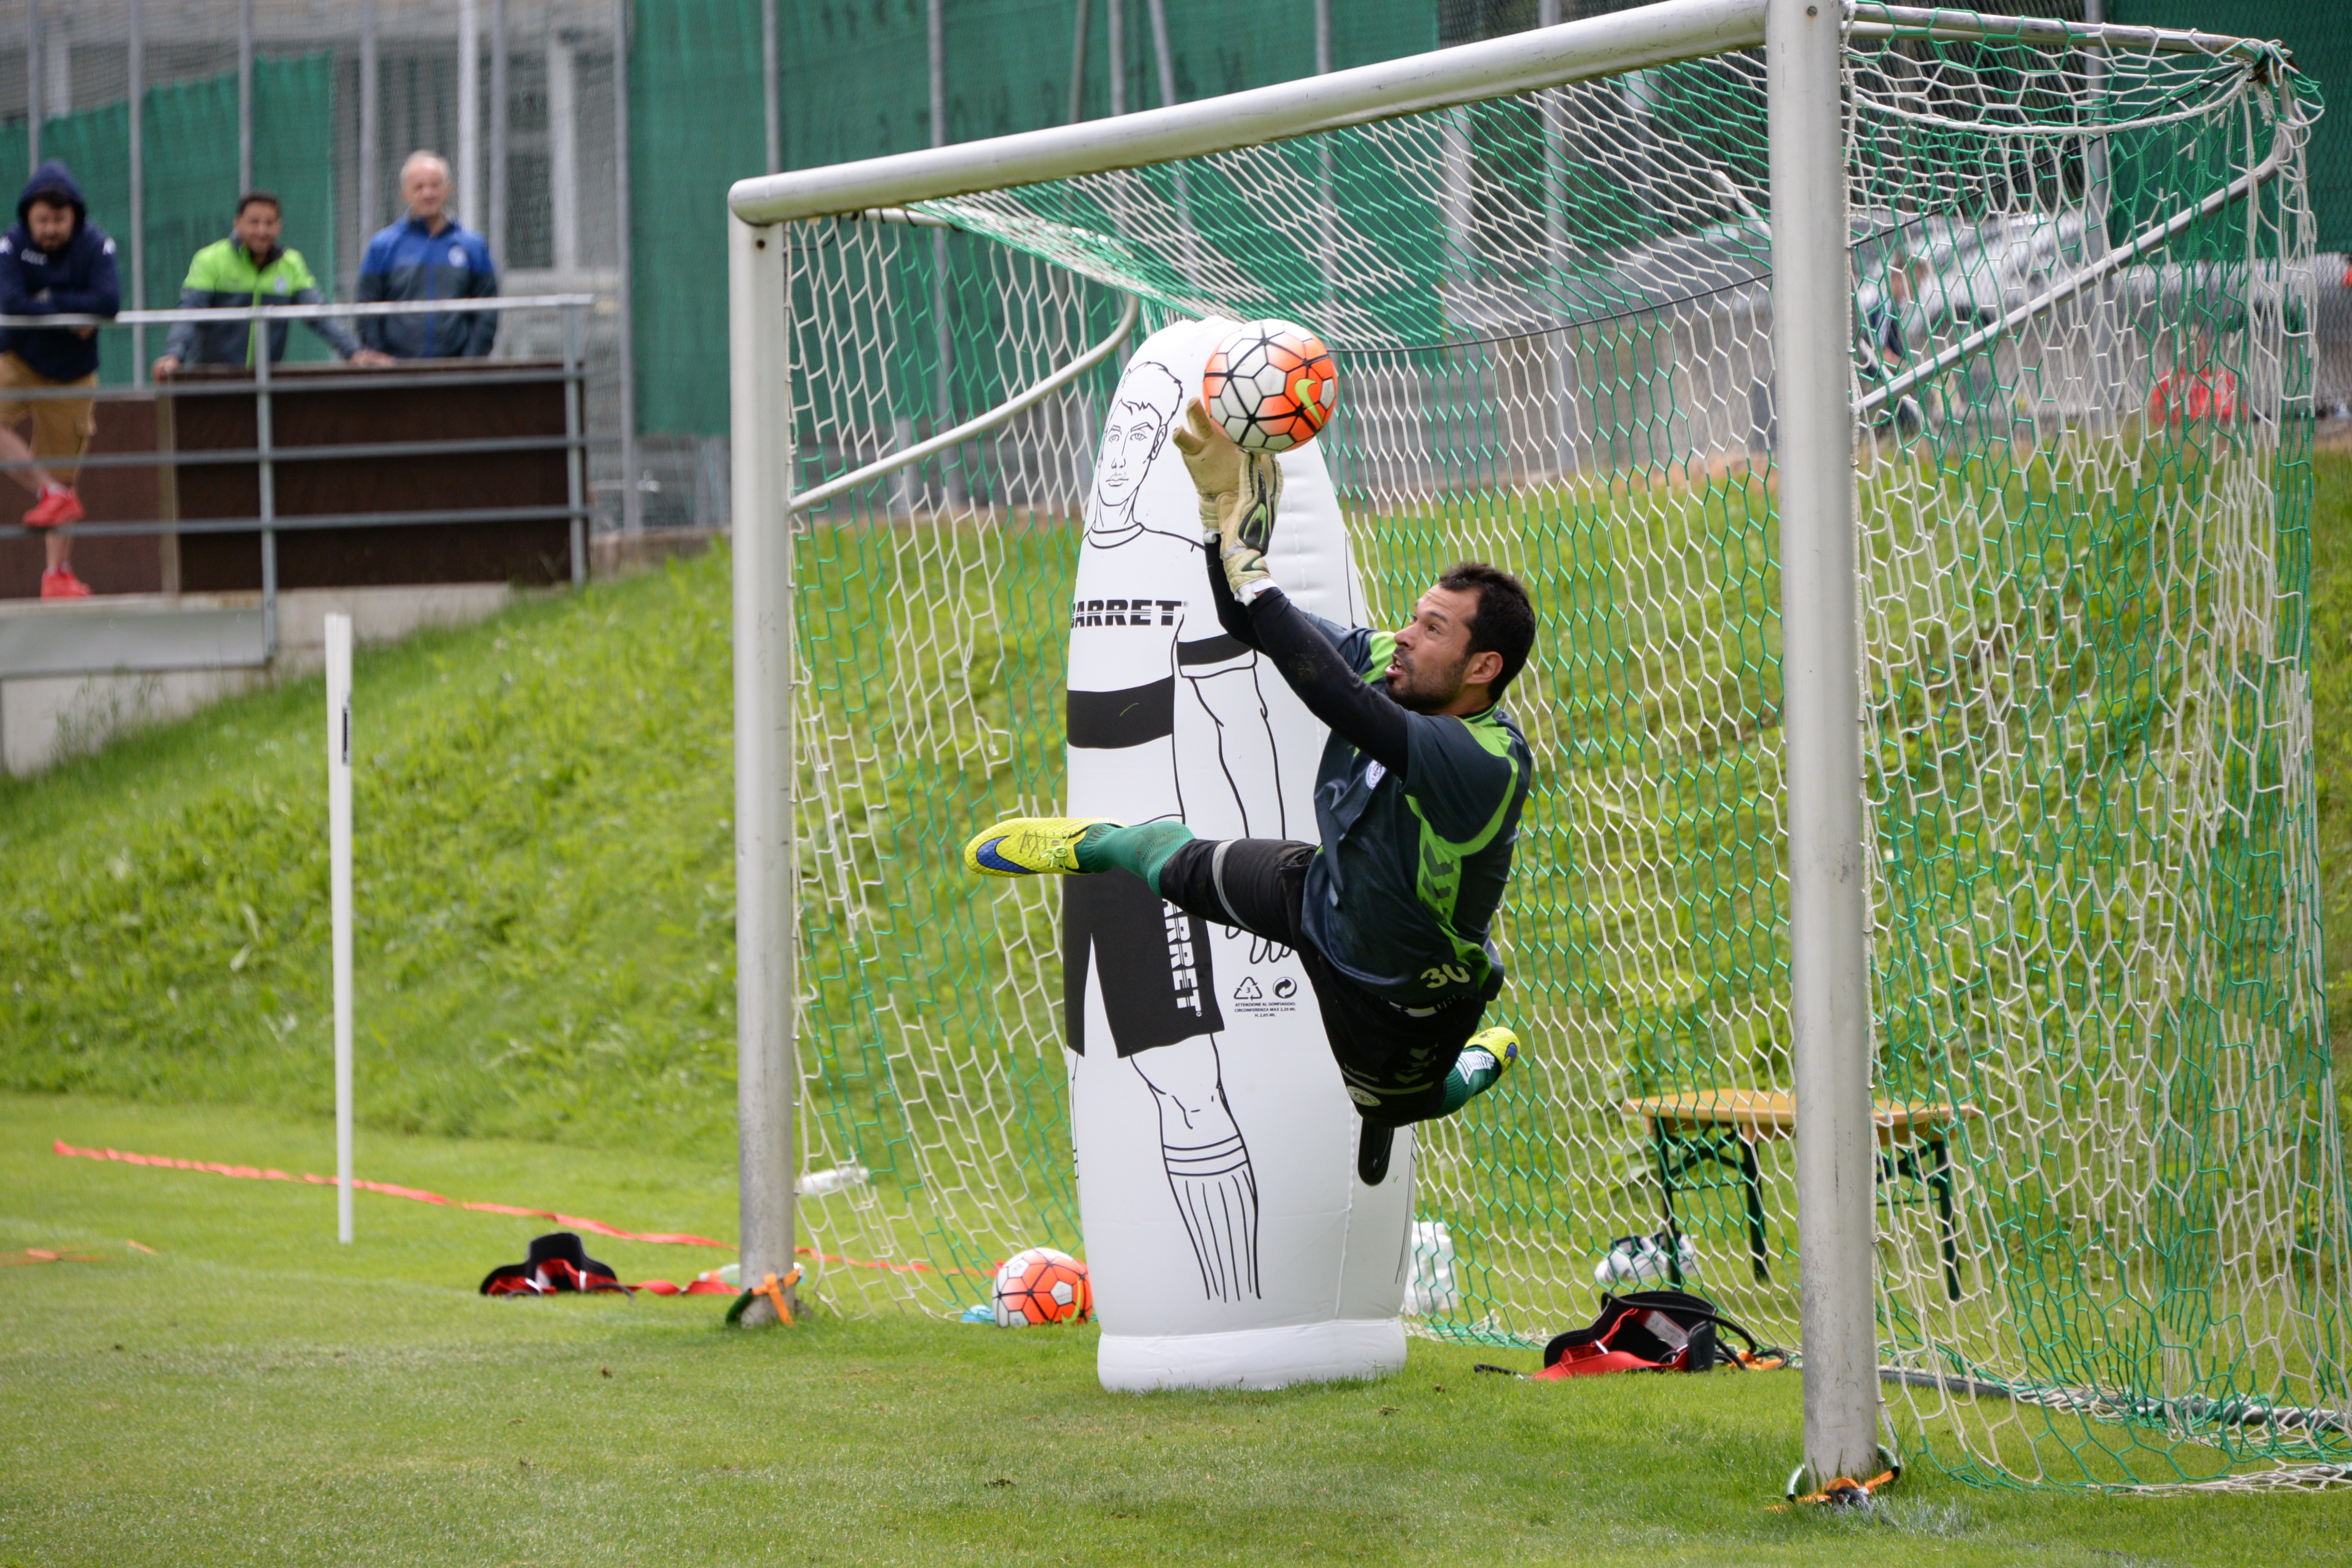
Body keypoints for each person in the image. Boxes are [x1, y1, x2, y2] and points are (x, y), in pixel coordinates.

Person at [964, 402, 1537, 1184]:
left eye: (1433, 630)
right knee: (1171, 857)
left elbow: (1339, 701)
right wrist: (1218, 529)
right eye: (1412, 618)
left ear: (1483, 669)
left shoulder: (1488, 762)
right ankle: (1090, 846)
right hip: (1319, 893)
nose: (1403, 635)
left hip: (1401, 994)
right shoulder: (1387, 666)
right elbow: (1257, 625)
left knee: (1398, 1104)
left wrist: (1255, 572)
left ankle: (1467, 1069)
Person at [0, 160, 119, 598]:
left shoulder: (95, 245)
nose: (50, 228)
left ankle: (57, 574)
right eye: (42, 220)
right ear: (28, 217)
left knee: (64, 470)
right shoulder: (12, 244)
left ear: (76, 217)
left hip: (72, 375)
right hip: (16, 358)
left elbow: (109, 301)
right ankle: (48, 492)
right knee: (55, 486)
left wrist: (48, 301)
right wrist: (71, 314)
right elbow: (11, 302)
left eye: (59, 220)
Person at [151, 192, 393, 376]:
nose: (262, 230)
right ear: (237, 224)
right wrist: (174, 355)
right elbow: (191, 310)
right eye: (254, 222)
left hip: (267, 382)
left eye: (269, 223)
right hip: (213, 379)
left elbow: (319, 314)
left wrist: (354, 352)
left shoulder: (291, 263)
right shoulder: (210, 259)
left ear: (279, 226)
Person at [354, 151, 500, 359]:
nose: (428, 193)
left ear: (447, 189)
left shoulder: (473, 246)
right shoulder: (383, 246)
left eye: (435, 185)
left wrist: (470, 362)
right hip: (397, 377)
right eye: (419, 187)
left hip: (457, 375)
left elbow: (488, 310)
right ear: (405, 194)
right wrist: (381, 359)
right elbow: (367, 308)